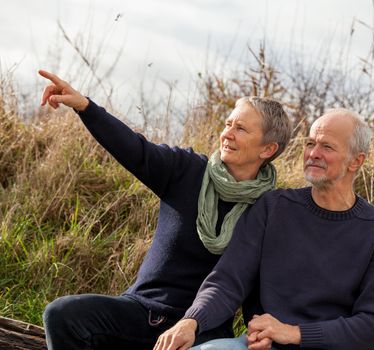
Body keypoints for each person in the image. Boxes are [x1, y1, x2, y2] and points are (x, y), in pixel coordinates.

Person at [38, 70, 292, 350]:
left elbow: (259, 284)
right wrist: (84, 106)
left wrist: (262, 331)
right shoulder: (186, 169)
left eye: (241, 128)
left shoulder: (269, 210)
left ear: (267, 149)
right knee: (62, 314)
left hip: (202, 330)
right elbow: (135, 149)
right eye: (228, 123)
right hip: (140, 310)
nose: (227, 134)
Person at [154, 109, 374, 350]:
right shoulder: (273, 207)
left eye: (327, 147)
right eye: (310, 143)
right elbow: (228, 280)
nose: (313, 153)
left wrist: (294, 333)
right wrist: (192, 320)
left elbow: (371, 324)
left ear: (356, 161)